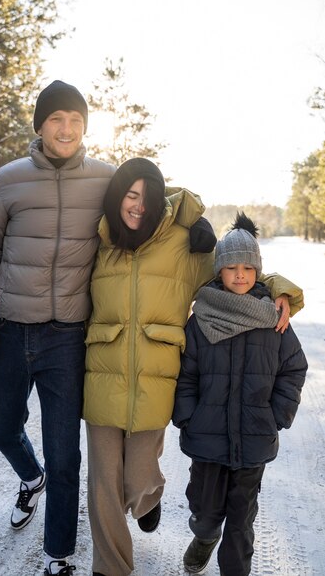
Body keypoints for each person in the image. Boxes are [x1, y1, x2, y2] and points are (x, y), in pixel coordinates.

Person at [82, 161, 303, 576]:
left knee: (140, 479)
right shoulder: (98, 241)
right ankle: (109, 567)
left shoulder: (183, 249)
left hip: (156, 377)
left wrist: (282, 291)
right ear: (115, 198)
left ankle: (150, 497)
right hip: (104, 372)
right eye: (130, 195)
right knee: (103, 485)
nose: (138, 206)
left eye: (147, 198)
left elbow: (237, 277)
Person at [0, 80, 116, 576]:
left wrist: (194, 225)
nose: (66, 128)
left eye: (75, 119)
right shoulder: (8, 179)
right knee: (3, 428)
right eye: (56, 119)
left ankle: (57, 557)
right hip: (11, 331)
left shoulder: (106, 180)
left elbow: (153, 204)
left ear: (85, 126)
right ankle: (30, 477)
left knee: (65, 454)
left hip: (68, 338)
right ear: (40, 126)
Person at [172, 212, 308, 576]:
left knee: (241, 521)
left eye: (248, 268)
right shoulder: (202, 318)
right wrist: (188, 415)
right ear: (220, 270)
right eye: (231, 267)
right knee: (204, 508)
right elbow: (186, 371)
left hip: (253, 440)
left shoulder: (273, 319)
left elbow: (294, 368)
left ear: (258, 271)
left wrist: (276, 415)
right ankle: (203, 537)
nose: (240, 275)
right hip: (207, 438)